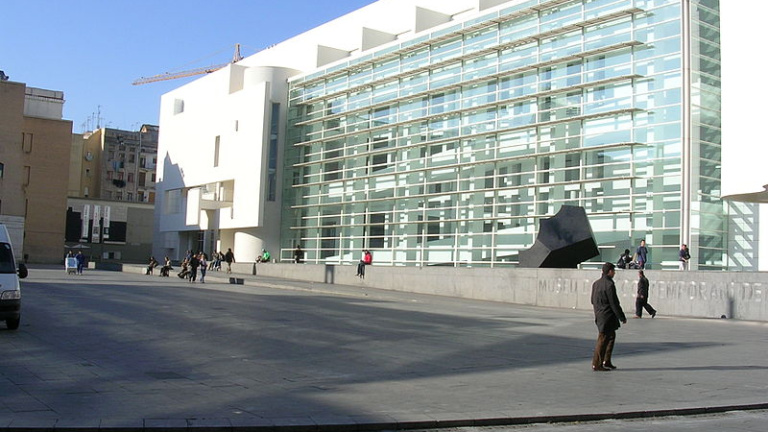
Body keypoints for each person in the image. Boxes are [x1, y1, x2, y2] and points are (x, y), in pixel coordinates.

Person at [591, 262, 627, 371]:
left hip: (599, 314)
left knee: (611, 336)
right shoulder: (609, 285)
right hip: (607, 315)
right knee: (603, 339)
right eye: (613, 271)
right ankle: (597, 364)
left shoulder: (596, 283)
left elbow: (592, 300)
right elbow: (614, 303)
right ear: (610, 271)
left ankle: (606, 361)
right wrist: (621, 317)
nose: (614, 273)